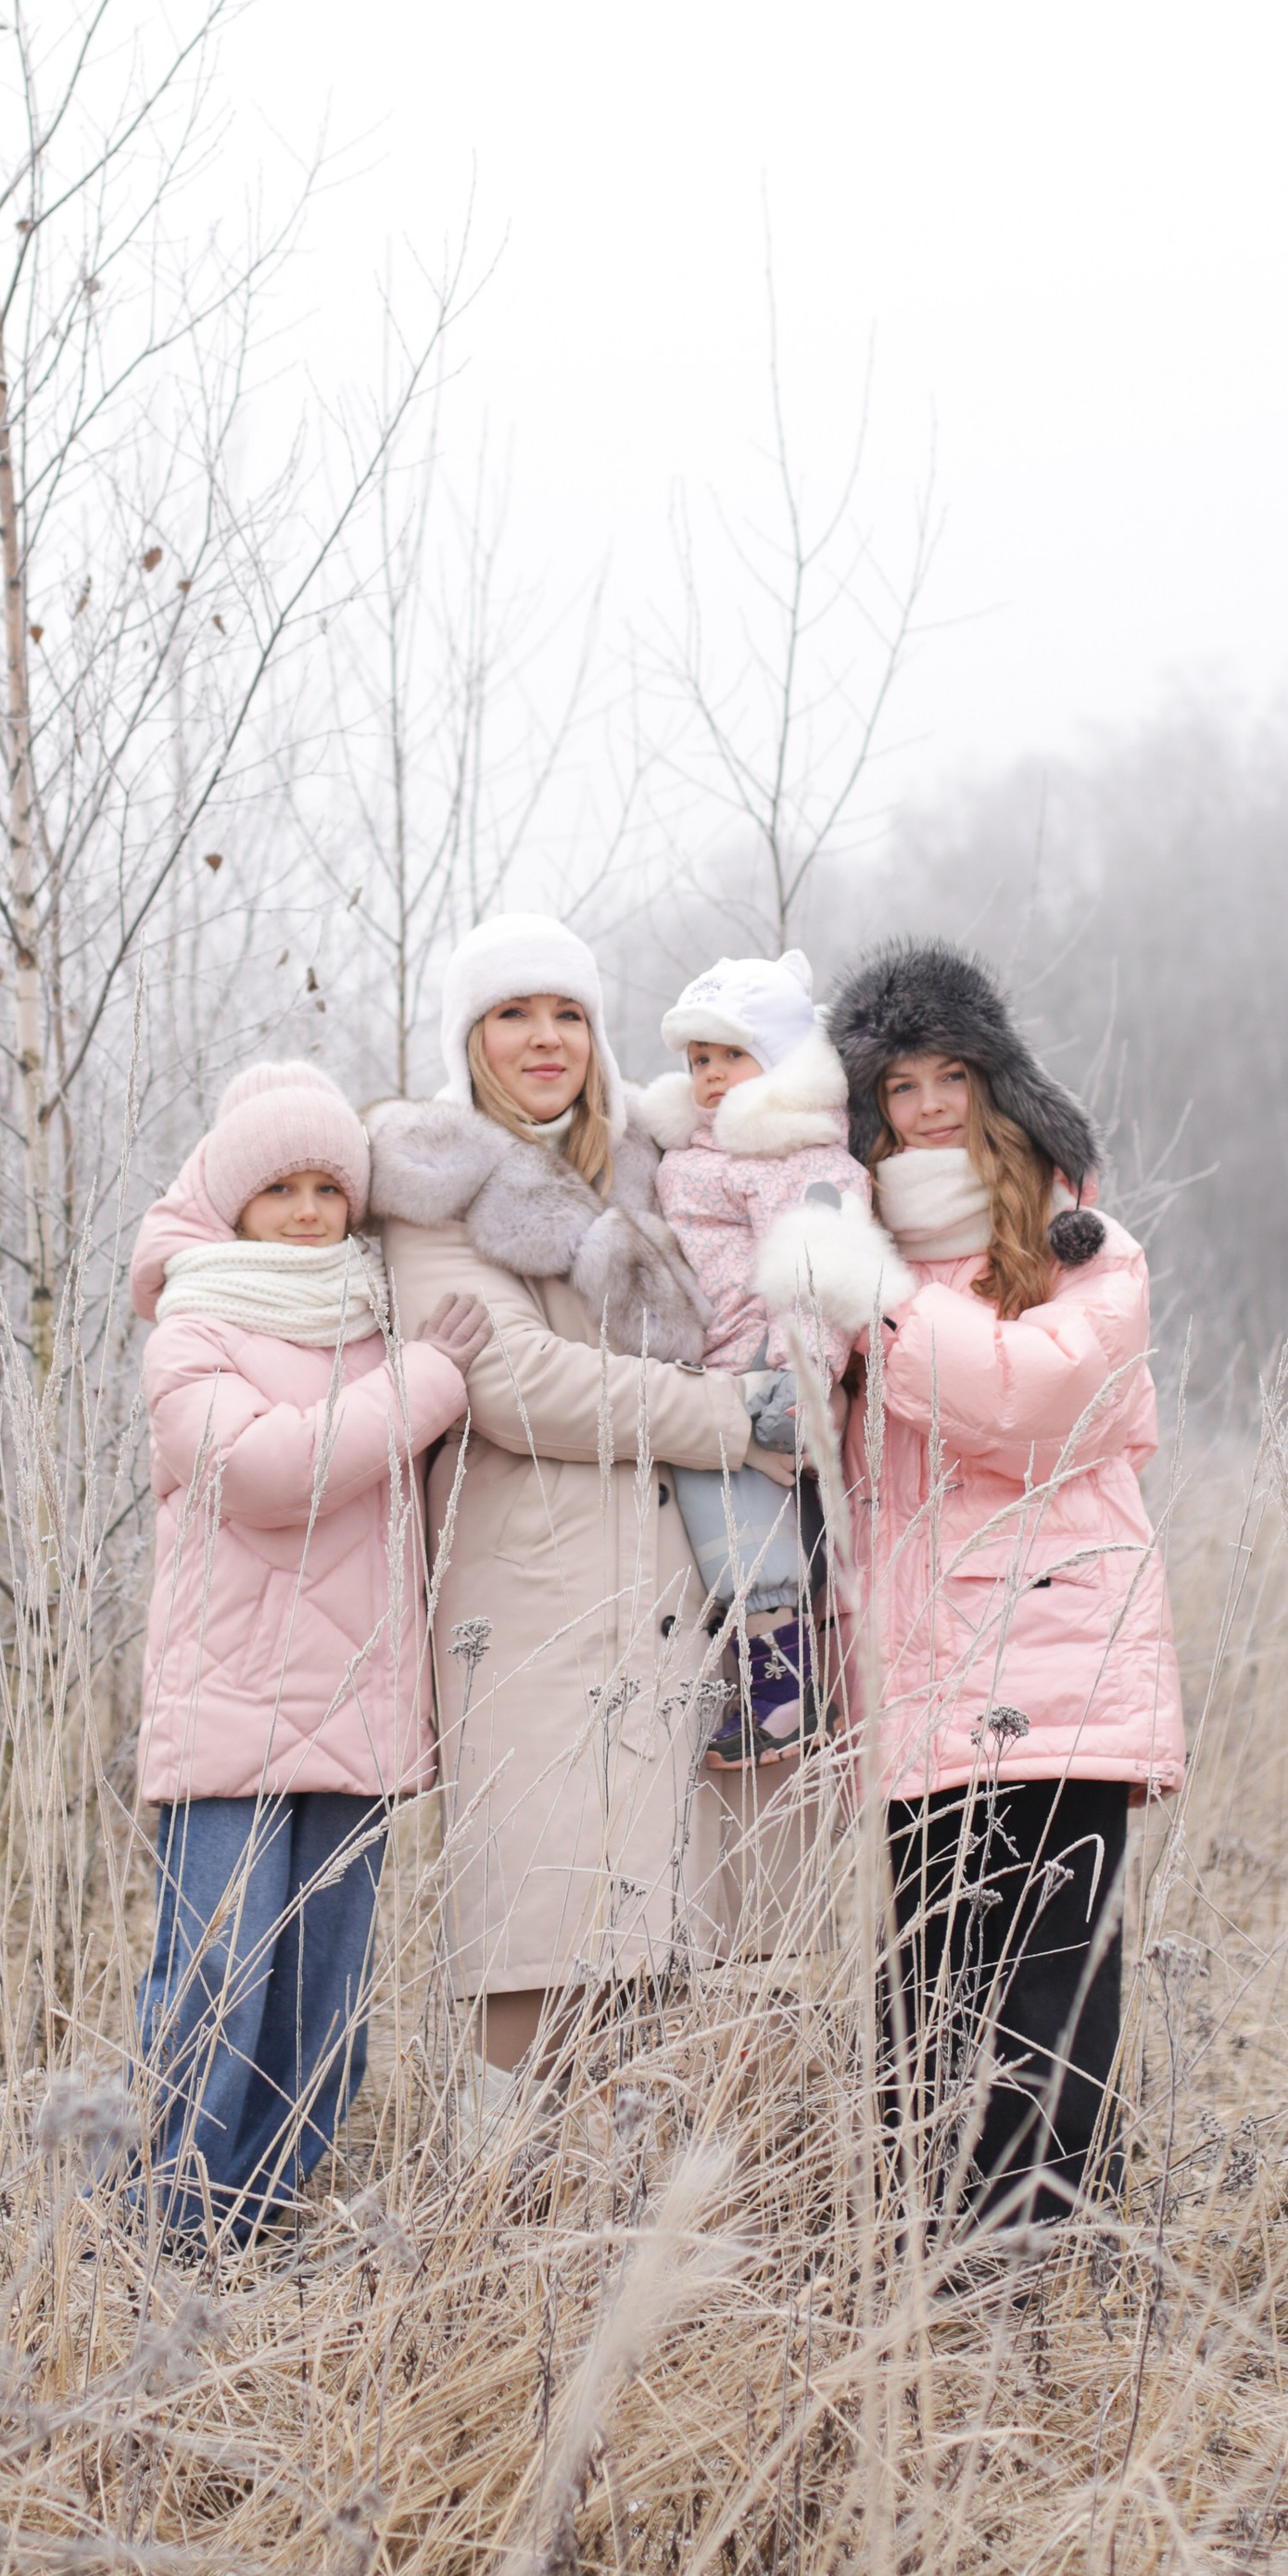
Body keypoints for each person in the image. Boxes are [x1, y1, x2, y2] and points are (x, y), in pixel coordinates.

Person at [369, 910, 770, 2133]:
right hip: (530, 1606)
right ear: (468, 1036)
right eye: (513, 1013)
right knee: (535, 1936)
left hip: (674, 1600)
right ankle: (491, 2223)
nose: (545, 1039)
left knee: (666, 1941)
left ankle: (629, 2237)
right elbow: (514, 1386)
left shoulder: (657, 1181)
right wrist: (734, 1419)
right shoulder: (432, 1187)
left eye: (568, 1014)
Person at [827, 941, 1185, 2229]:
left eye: (953, 1074)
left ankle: (1034, 2249)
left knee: (1056, 1980)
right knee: (927, 1977)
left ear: (999, 1082)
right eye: (899, 1085)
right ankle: (916, 2241)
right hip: (921, 1665)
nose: (929, 1107)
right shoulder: (849, 1256)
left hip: (1060, 1651)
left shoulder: (1082, 1241)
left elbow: (1031, 1402)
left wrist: (881, 1310)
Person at [128, 1060, 489, 2240]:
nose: (303, 1210)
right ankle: (172, 2229)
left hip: (357, 1707)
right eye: (276, 1186)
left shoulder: (376, 1318)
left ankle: (264, 2218)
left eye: (327, 1186)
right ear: (232, 1203)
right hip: (229, 1710)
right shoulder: (192, 1326)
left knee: (321, 1998)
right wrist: (430, 1380)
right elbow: (273, 1477)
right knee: (215, 1979)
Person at [631, 947, 904, 1765]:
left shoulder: (799, 1153)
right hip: (716, 1359)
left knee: (739, 1518)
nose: (712, 1075)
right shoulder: (705, 1148)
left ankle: (782, 1694)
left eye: (732, 1055)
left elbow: (820, 1267)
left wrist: (800, 1378)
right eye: (698, 1059)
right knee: (722, 1507)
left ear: (781, 1062)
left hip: (765, 1361)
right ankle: (771, 1677)